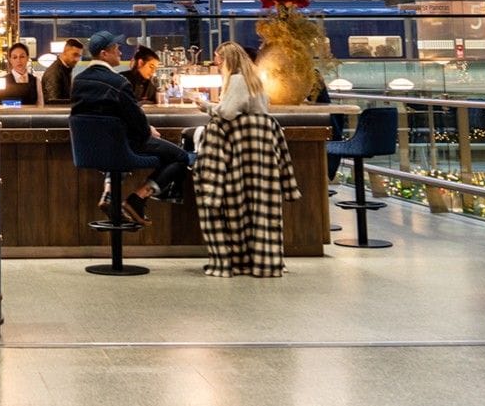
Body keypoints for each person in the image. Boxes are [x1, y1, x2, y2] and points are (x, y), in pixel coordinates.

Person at [193, 42, 300, 277]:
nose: (217, 65)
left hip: (241, 149)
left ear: (226, 59)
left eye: (218, 60)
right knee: (262, 207)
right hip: (262, 149)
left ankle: (236, 259)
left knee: (236, 205)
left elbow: (228, 113)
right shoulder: (254, 80)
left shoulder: (237, 80)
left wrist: (206, 106)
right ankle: (264, 260)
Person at [70, 30, 189, 225]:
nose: (120, 51)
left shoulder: (78, 80)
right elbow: (139, 127)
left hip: (88, 151)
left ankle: (109, 194)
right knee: (181, 157)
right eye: (115, 48)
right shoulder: (119, 82)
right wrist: (149, 130)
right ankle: (138, 199)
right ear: (103, 54)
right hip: (121, 149)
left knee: (119, 145)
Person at [40, 38, 84, 104]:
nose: (77, 59)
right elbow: (54, 103)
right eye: (75, 55)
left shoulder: (66, 68)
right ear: (65, 52)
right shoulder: (54, 72)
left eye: (79, 56)